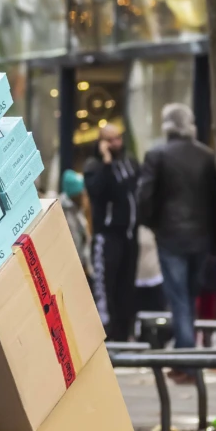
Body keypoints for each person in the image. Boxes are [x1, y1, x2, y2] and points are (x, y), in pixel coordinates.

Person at [137, 103, 216, 372]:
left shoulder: (157, 155)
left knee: (179, 297)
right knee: (189, 294)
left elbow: (144, 197)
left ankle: (186, 358)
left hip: (171, 236)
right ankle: (186, 350)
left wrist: (153, 224)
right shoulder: (207, 157)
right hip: (200, 237)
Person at [84, 123, 140, 342]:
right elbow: (96, 191)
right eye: (111, 139)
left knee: (126, 287)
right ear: (102, 142)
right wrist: (106, 161)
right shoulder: (95, 166)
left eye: (118, 138)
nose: (117, 143)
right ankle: (108, 334)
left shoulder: (129, 162)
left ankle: (125, 334)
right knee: (106, 287)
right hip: (108, 237)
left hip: (130, 236)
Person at [60, 169, 92, 280]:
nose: (85, 196)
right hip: (74, 273)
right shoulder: (67, 217)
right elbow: (75, 247)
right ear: (76, 195)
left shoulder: (77, 211)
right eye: (82, 193)